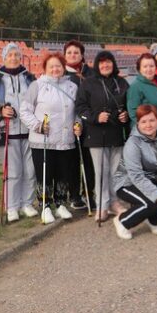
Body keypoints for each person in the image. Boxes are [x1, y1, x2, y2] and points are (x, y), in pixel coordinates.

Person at [19, 52, 79, 224]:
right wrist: (38, 126)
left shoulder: (72, 87)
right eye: (51, 66)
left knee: (63, 174)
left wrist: (77, 124)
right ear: (45, 68)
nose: (55, 69)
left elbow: (76, 112)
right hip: (43, 140)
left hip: (65, 139)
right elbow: (24, 111)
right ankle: (45, 206)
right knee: (44, 174)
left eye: (58, 65)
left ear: (63, 67)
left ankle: (60, 204)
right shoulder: (36, 86)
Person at [0, 42, 37, 222]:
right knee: (13, 171)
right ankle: (12, 206)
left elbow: (39, 100)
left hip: (30, 132)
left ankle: (27, 203)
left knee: (30, 170)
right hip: (8, 132)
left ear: (21, 57)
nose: (13, 58)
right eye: (9, 55)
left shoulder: (30, 78)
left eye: (16, 55)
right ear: (4, 58)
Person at [75, 51, 130, 222]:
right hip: (96, 135)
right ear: (97, 65)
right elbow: (81, 107)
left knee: (115, 171)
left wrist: (125, 115)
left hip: (116, 134)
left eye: (108, 62)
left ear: (113, 64)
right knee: (101, 172)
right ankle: (102, 205)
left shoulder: (121, 82)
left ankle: (114, 202)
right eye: (102, 63)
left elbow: (128, 104)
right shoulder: (88, 83)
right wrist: (95, 117)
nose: (105, 66)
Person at [111, 104, 157, 239]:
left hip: (154, 178)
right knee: (151, 202)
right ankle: (122, 221)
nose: (148, 125)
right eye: (143, 121)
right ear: (138, 123)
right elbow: (136, 176)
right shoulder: (133, 143)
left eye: (152, 120)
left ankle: (152, 221)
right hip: (127, 182)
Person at [63, 39, 94, 210]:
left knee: (89, 160)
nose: (73, 55)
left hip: (90, 123)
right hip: (70, 124)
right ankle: (74, 194)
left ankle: (89, 193)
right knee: (72, 160)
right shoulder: (61, 73)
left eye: (76, 52)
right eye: (69, 52)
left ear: (82, 55)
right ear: (65, 55)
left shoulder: (91, 73)